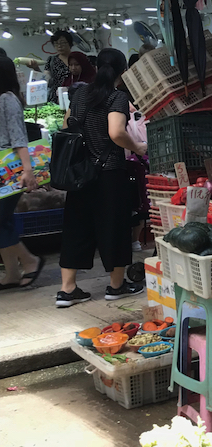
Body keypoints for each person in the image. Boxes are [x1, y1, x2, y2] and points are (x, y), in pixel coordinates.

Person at [56, 48, 147, 307]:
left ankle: (67, 289)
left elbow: (67, 126)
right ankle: (116, 286)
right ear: (123, 71)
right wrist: (138, 148)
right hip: (109, 172)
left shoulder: (81, 93)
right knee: (114, 227)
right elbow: (116, 132)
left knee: (76, 228)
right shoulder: (117, 97)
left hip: (79, 174)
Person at [0, 55, 44, 289]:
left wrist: (28, 170)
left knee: (0, 220)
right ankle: (12, 273)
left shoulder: (8, 99)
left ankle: (29, 261)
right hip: (3, 170)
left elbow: (18, 136)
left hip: (11, 170)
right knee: (3, 222)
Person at [17, 30, 75, 102]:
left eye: (62, 43)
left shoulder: (79, 59)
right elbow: (46, 80)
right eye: (56, 43)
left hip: (76, 95)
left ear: (70, 43)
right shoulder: (51, 60)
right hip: (57, 98)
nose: (59, 46)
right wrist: (35, 68)